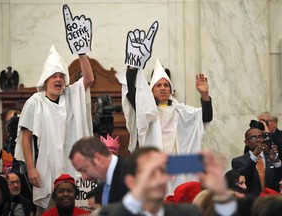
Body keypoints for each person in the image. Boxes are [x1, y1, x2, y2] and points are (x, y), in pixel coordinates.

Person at [118, 23, 213, 194]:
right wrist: (133, 66)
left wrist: (205, 96)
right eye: (158, 85)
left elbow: (205, 117)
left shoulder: (181, 111)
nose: (162, 88)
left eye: (166, 85)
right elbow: (132, 92)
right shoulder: (147, 111)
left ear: (171, 90)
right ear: (152, 89)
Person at [14, 45, 94, 213]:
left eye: (61, 76)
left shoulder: (71, 95)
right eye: (53, 76)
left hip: (72, 170)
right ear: (46, 79)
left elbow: (88, 79)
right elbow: (26, 137)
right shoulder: (35, 102)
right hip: (45, 170)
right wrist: (30, 168)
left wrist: (82, 52)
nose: (58, 79)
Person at [99, 147, 238, 216]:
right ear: (130, 182)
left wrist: (222, 193)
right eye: (149, 172)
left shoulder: (189, 213)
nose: (158, 179)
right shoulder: (109, 214)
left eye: (161, 170)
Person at [69, 137, 128, 206]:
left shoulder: (132, 174)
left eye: (84, 170)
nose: (84, 177)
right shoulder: (102, 186)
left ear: (98, 159)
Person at [232, 127, 282, 196]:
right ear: (246, 142)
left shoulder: (270, 158)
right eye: (253, 138)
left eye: (260, 137)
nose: (258, 140)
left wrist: (276, 162)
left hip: (271, 202)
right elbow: (243, 177)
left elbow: (279, 179)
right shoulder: (238, 161)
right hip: (250, 203)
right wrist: (255, 155)